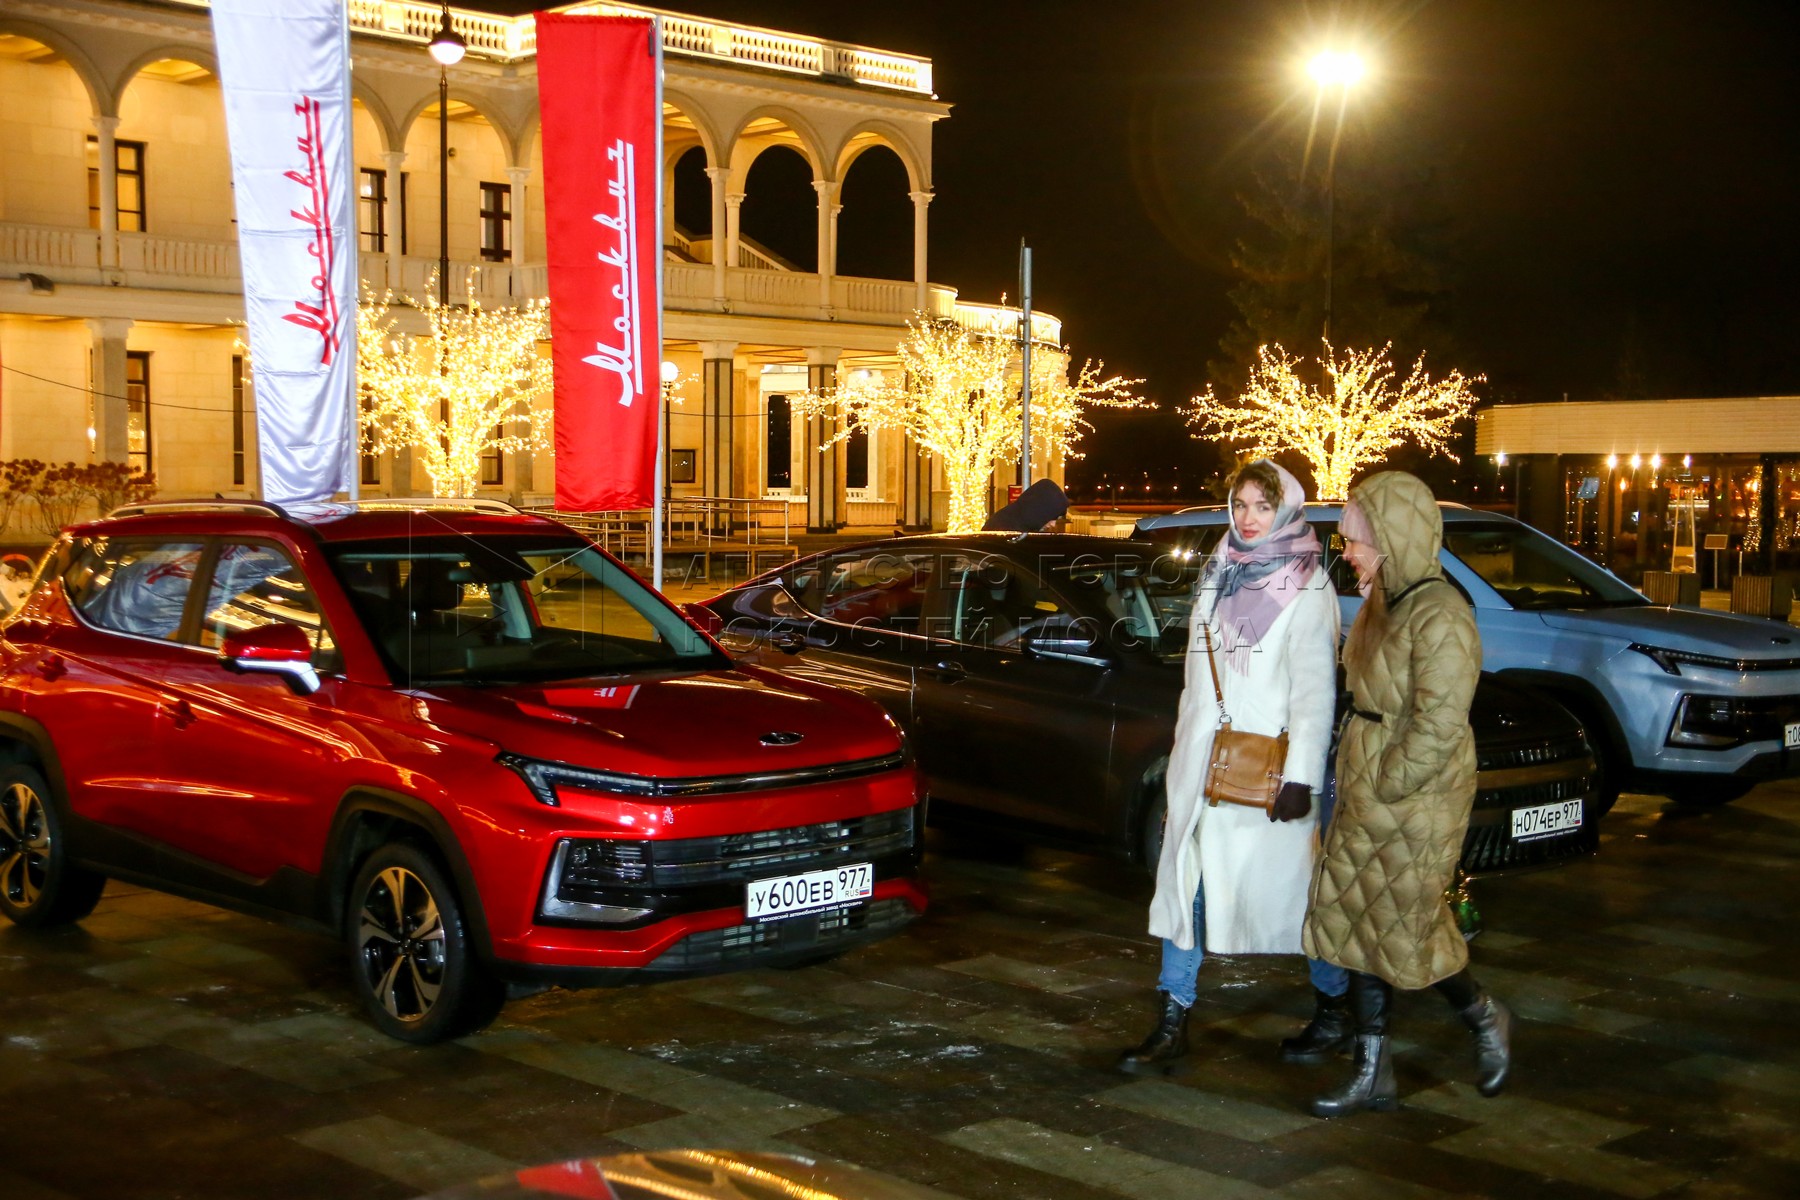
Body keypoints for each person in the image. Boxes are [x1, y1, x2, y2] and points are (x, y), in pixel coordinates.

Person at [1117, 460, 1339, 1075]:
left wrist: (1300, 776)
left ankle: (1337, 1006)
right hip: (1204, 766)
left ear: (1286, 511)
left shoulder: (1309, 587)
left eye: (1261, 507)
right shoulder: (1219, 570)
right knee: (1185, 888)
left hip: (1266, 775)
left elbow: (1315, 693)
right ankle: (1172, 1017)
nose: (1247, 518)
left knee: (1298, 899)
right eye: (1240, 505)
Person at [1303, 470, 1513, 1117]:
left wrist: (1387, 784)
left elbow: (1440, 724)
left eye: (1354, 541)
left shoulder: (1442, 614)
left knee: (1407, 927)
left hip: (1413, 796)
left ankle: (1484, 1018)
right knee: (1357, 922)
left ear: (1392, 540)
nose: (1347, 552)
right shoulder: (1381, 605)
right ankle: (1373, 1072)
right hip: (1367, 782)